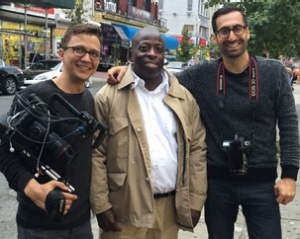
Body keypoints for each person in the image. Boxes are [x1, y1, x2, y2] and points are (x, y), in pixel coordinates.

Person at [106, 6, 300, 239]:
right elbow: (160, 77)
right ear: (216, 37)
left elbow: (289, 125)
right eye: (224, 31)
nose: (232, 36)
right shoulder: (201, 74)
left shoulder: (273, 72)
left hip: (262, 183)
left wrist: (289, 175)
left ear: (247, 32)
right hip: (217, 184)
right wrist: (128, 71)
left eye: (237, 28)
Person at [90, 26, 207, 239]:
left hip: (168, 213)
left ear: (164, 55)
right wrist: (100, 205)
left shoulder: (184, 98)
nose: (151, 53)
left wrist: (196, 199)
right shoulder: (108, 97)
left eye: (158, 49)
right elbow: (96, 153)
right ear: (132, 53)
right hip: (122, 212)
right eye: (144, 48)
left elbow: (197, 150)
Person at [0, 23, 103, 239]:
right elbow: (3, 148)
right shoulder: (34, 97)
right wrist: (30, 187)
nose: (86, 58)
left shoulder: (90, 100)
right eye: (79, 50)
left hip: (82, 223)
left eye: (94, 53)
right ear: (62, 53)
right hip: (38, 227)